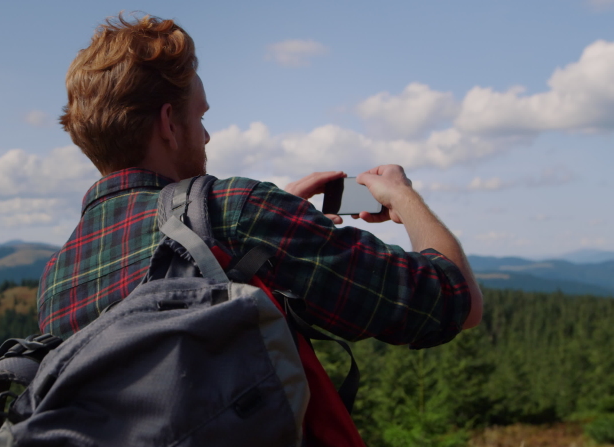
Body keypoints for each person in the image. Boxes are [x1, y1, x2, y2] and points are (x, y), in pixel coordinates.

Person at [37, 13, 482, 346]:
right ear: (169, 124)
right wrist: (404, 197)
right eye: (201, 116)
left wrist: (260, 239)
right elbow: (453, 302)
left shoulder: (56, 279)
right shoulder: (239, 210)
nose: (207, 135)